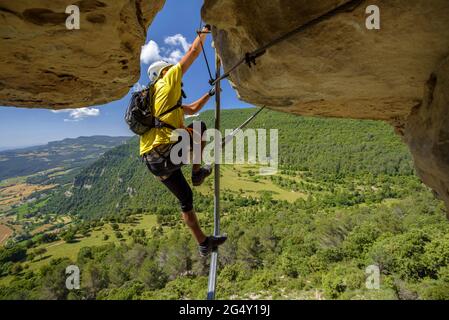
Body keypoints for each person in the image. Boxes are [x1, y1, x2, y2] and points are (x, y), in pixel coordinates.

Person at [140, 25, 227, 257]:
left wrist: (210, 94)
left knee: (186, 199)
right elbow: (193, 52)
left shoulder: (159, 103)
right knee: (199, 129)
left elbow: (194, 108)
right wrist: (206, 30)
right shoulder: (166, 81)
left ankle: (203, 243)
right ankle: (197, 173)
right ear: (164, 72)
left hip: (153, 161)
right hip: (166, 150)